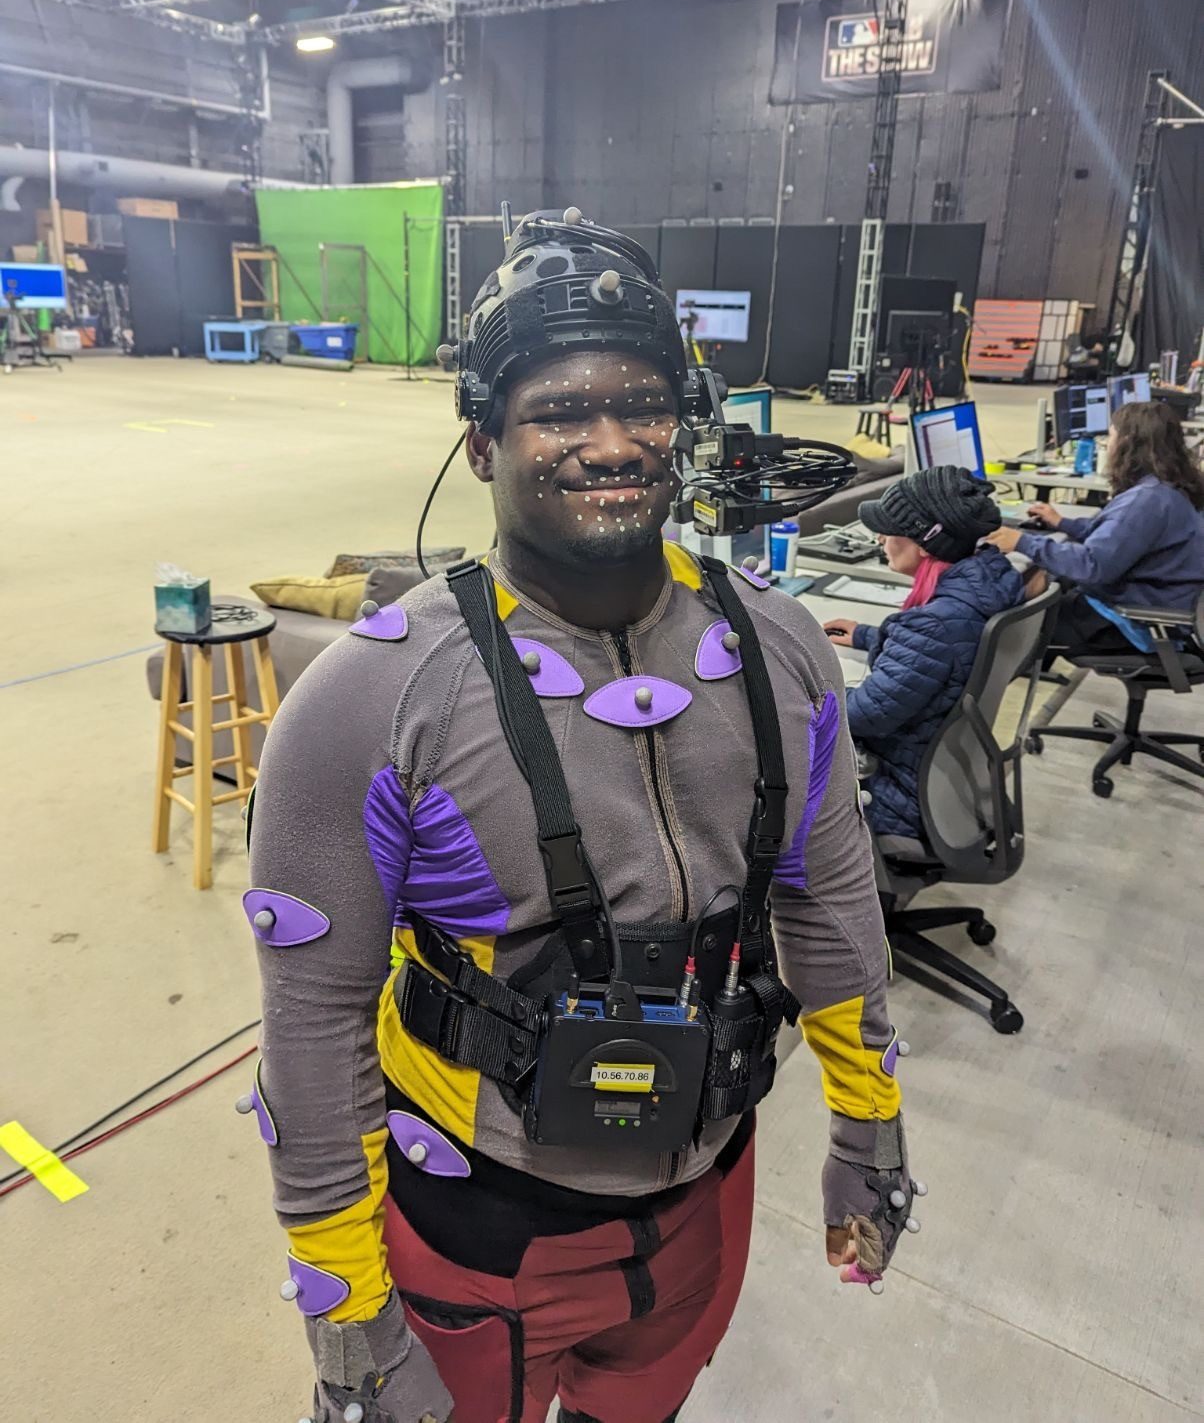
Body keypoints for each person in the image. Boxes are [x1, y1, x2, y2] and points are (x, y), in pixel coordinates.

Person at [243, 210, 921, 1423]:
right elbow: (313, 1034)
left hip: (705, 1197)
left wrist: (868, 1139)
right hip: (479, 1229)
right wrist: (350, 1325)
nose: (611, 442)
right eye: (560, 411)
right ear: (482, 440)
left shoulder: (777, 650)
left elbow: (830, 911)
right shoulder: (370, 702)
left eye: (643, 404)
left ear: (683, 421)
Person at [823, 466, 1025, 840]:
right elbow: (946, 651)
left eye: (888, 530)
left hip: (899, 795)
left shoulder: (931, 627)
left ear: (924, 543)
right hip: (948, 781)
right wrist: (870, 635)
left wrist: (796, 690)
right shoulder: (992, 583)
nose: (880, 538)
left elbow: (859, 716)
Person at [987, 400, 1204, 655]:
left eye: (1110, 438)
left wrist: (1021, 541)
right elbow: (1121, 534)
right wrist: (1063, 524)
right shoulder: (1168, 487)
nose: (1107, 446)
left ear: (1127, 445)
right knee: (1045, 579)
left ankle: (1004, 674)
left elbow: (1093, 566)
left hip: (1134, 624)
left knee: (1006, 629)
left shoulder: (1147, 500)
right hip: (1154, 603)